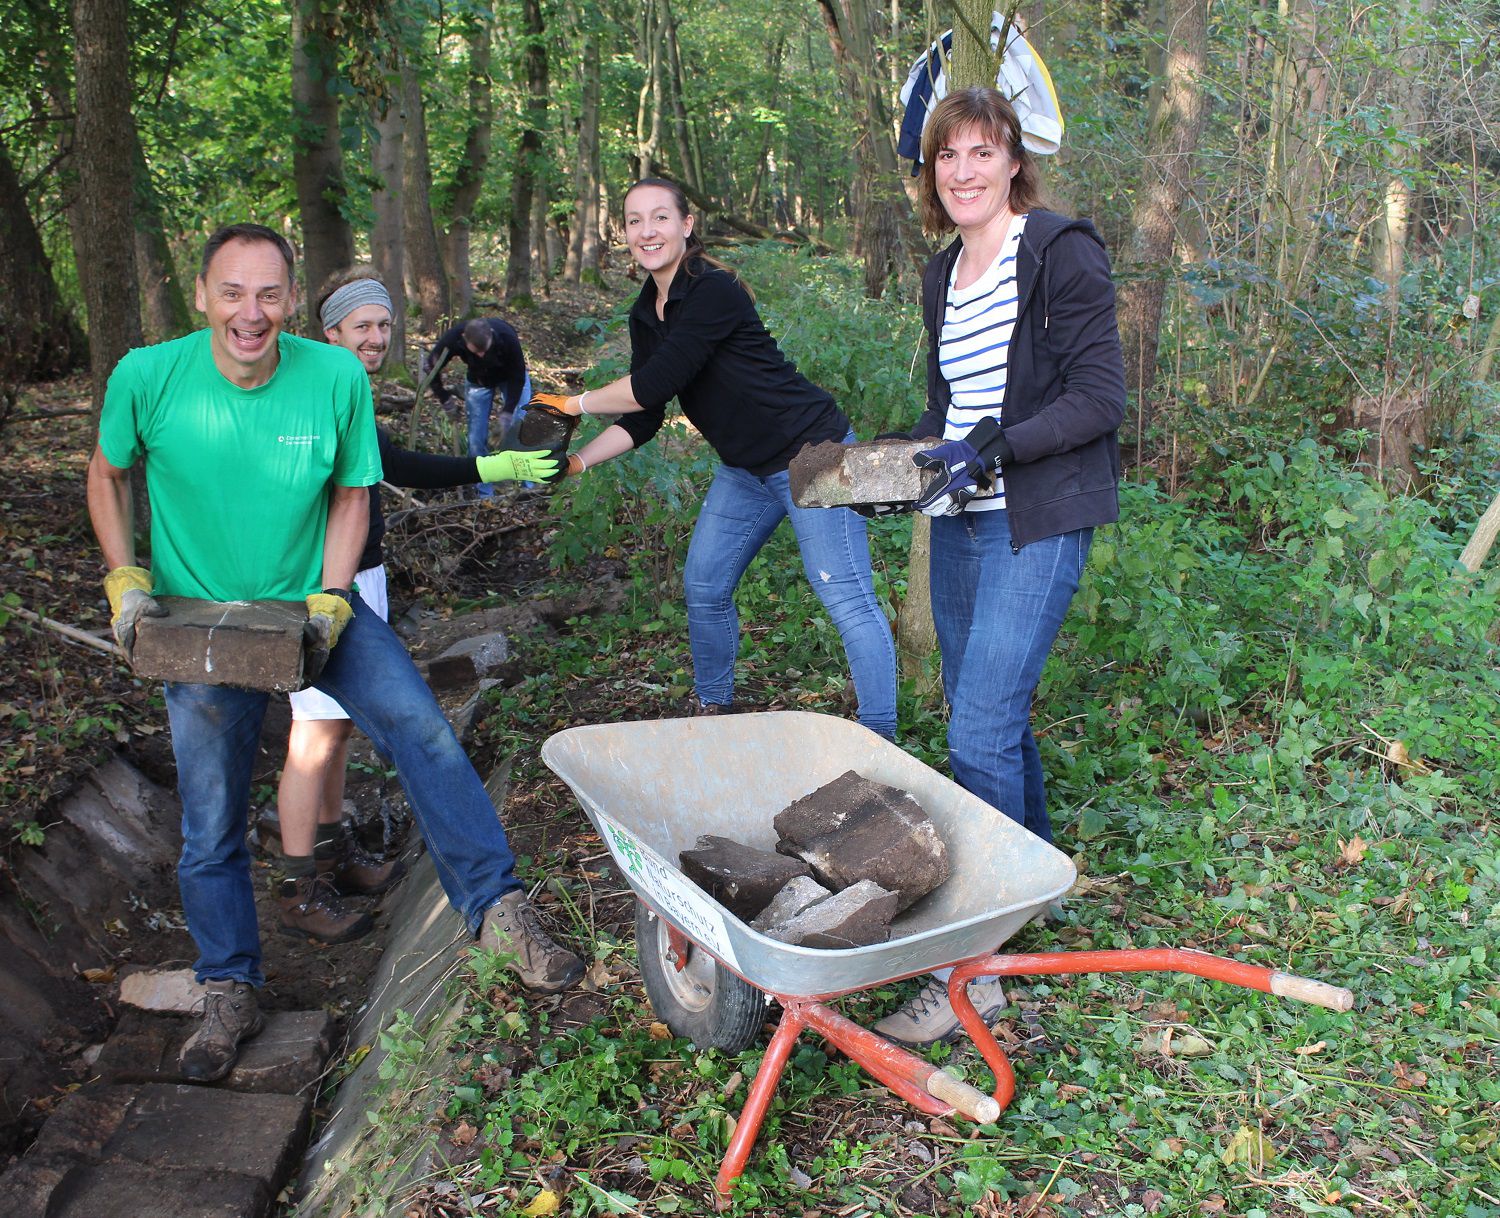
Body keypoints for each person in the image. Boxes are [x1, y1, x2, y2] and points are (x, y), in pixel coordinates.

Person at [87, 223, 584, 1083]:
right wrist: (125, 577)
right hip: (199, 624)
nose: (251, 313)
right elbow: (106, 472)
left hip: (316, 608)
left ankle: (498, 908)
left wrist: (329, 593)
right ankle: (227, 987)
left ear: (290, 301)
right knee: (209, 821)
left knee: (422, 732)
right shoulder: (147, 376)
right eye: (233, 293)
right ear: (202, 295)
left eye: (269, 294)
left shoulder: (331, 378)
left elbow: (355, 492)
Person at [869, 87, 1125, 1047]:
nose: (965, 171)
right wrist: (894, 461)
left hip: (1036, 519)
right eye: (948, 157)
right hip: (963, 523)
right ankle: (1033, 886)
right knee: (991, 722)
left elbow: (1099, 397)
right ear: (932, 173)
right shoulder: (942, 275)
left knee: (977, 730)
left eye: (983, 152)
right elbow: (952, 414)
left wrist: (997, 447)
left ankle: (972, 973)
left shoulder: (1058, 249)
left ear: (1015, 160)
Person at [530, 177, 897, 740]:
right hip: (746, 470)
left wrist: (574, 402)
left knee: (843, 595)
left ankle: (880, 735)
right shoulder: (645, 313)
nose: (647, 231)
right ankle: (715, 715)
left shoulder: (713, 290)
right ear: (624, 233)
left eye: (659, 218)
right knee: (703, 585)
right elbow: (645, 416)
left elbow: (654, 384)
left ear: (685, 225)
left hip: (815, 454)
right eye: (634, 221)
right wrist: (579, 462)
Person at [276, 270, 559, 944]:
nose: (375, 337)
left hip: (360, 577)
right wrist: (489, 469)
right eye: (362, 326)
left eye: (383, 325)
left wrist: (491, 468)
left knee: (335, 731)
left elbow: (388, 463)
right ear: (330, 331)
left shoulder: (346, 388)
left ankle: (337, 855)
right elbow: (362, 472)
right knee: (310, 738)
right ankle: (298, 887)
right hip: (318, 584)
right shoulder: (311, 392)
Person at [422, 317, 532, 498]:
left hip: (510, 378)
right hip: (479, 382)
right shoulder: (453, 338)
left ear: (491, 335)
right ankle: (484, 495)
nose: (481, 355)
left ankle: (530, 487)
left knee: (522, 425)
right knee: (476, 439)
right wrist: (444, 398)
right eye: (476, 351)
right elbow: (431, 366)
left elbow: (518, 377)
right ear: (464, 339)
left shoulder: (507, 336)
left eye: (485, 350)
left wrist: (507, 412)